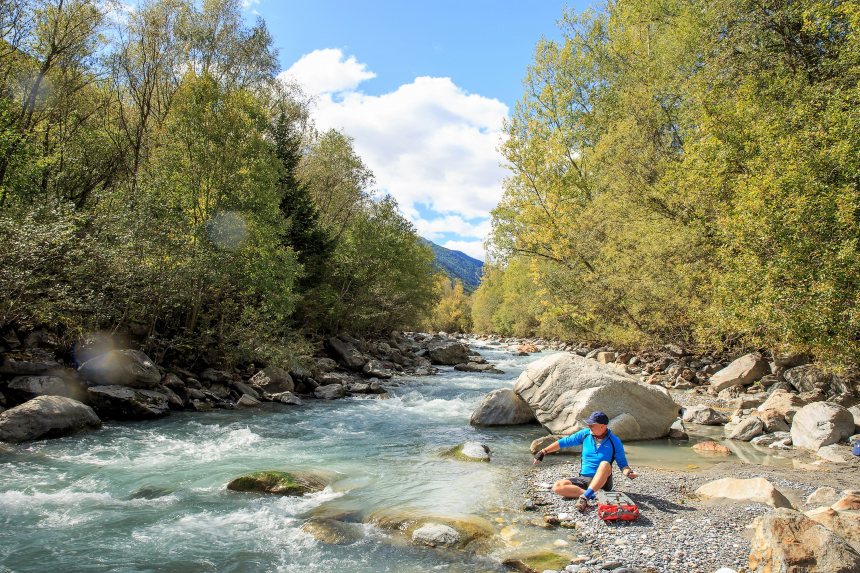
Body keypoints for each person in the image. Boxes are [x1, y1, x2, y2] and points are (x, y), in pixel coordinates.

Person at [533, 410, 638, 512]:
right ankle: (592, 495)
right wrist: (543, 451)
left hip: (603, 482)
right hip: (584, 479)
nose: (589, 426)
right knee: (557, 487)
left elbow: (623, 465)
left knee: (605, 464)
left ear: (603, 426)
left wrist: (629, 473)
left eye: (592, 425)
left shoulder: (614, 441)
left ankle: (585, 497)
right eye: (588, 424)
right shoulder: (585, 434)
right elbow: (564, 442)